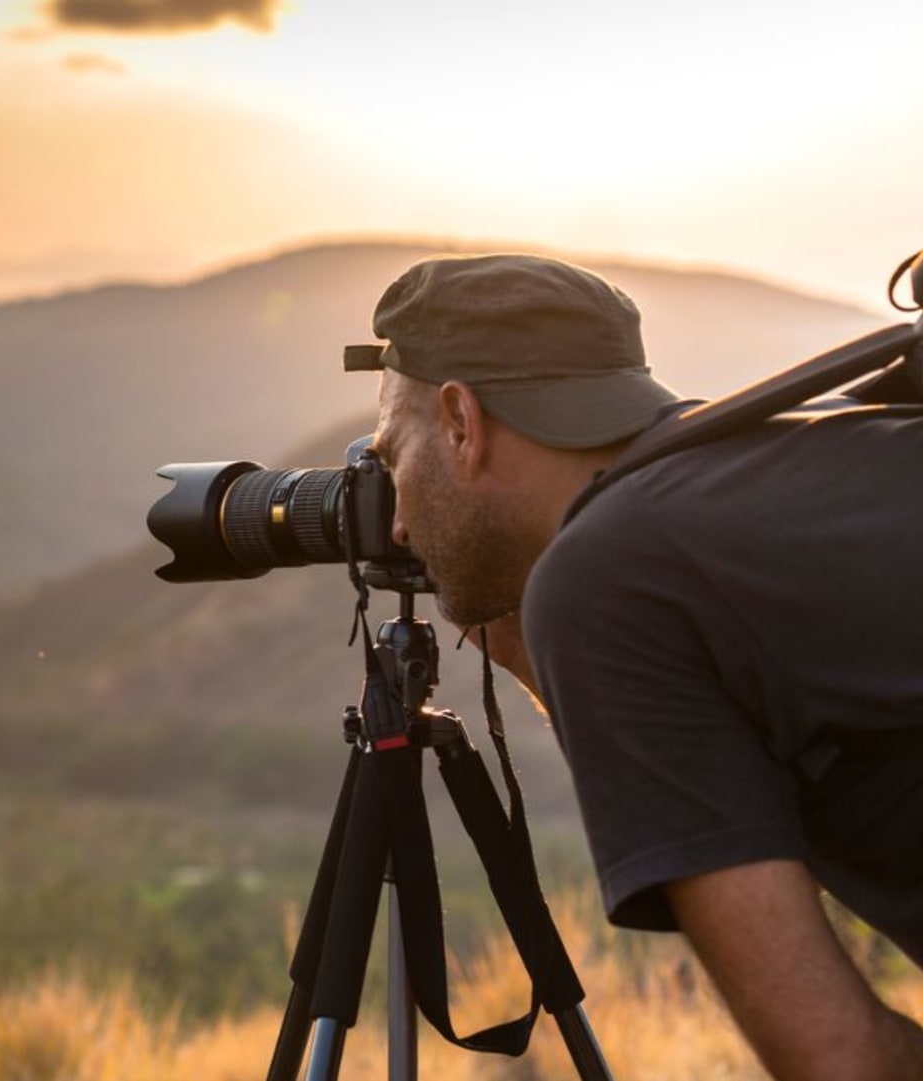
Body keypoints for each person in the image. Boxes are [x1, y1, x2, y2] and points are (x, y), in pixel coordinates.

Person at [361, 253, 923, 1081]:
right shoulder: (800, 452)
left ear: (459, 422)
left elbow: (846, 1062)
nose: (398, 524)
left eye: (391, 458)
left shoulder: (609, 574)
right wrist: (531, 647)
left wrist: (568, 609)